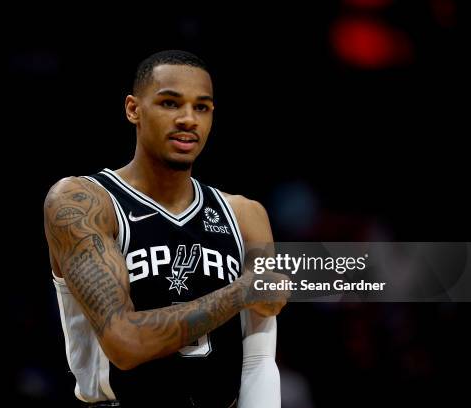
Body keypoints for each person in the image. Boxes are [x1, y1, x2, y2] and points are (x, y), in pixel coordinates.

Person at [44, 50, 290, 408]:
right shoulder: (83, 202)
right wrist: (240, 293)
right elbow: (124, 344)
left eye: (201, 107)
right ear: (133, 109)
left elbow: (258, 360)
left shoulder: (245, 214)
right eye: (170, 103)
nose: (188, 119)